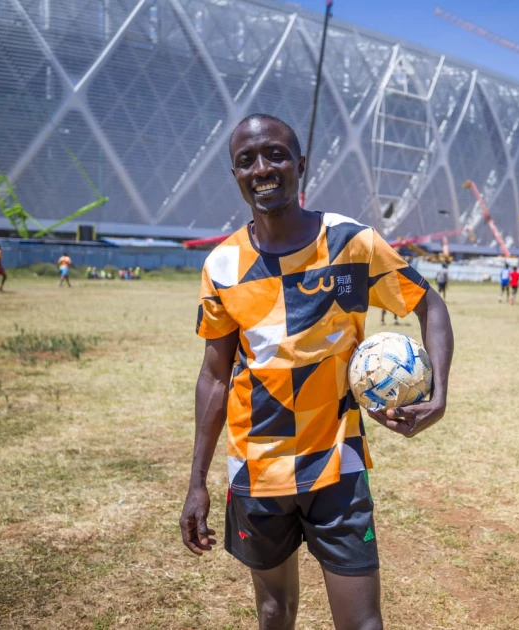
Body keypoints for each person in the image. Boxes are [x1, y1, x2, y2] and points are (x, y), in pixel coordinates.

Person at [180, 114, 454, 630]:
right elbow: (214, 376)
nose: (262, 168)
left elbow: (429, 305)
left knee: (362, 623)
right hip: (256, 467)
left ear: (300, 165)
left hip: (338, 463)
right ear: (235, 175)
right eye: (247, 160)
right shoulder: (221, 266)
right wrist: (196, 483)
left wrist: (437, 392)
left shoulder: (353, 243)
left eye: (276, 154)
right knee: (273, 611)